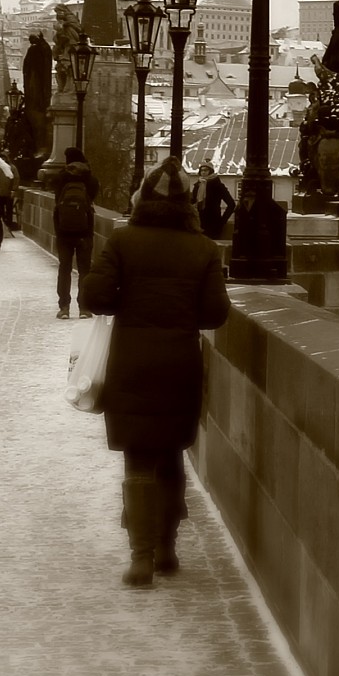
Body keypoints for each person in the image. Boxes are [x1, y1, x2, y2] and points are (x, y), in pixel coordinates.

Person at [81, 160, 232, 588]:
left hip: (131, 361)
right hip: (179, 363)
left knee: (139, 458)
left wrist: (128, 303)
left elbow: (93, 295)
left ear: (142, 199)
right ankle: (167, 547)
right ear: (188, 203)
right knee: (171, 453)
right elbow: (215, 314)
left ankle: (141, 556)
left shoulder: (124, 239)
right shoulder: (203, 248)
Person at [50, 148, 99, 318]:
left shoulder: (60, 177)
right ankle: (84, 308)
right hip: (85, 230)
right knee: (84, 269)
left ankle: (64, 307)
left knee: (64, 268)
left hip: (63, 230)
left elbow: (57, 200)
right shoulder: (90, 179)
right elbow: (91, 199)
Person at [196, 167, 235, 240]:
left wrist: (222, 221)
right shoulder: (198, 185)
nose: (203, 172)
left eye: (206, 170)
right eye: (201, 170)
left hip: (213, 223)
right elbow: (193, 201)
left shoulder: (218, 186)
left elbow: (231, 204)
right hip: (199, 223)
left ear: (210, 171)